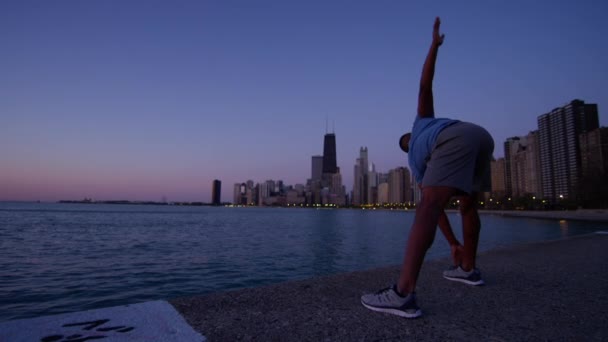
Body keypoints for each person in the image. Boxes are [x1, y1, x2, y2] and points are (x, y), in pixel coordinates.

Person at [360, 17, 494, 318]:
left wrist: (433, 47)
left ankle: (403, 293)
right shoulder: (426, 130)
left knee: (427, 207)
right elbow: (425, 85)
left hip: (457, 139)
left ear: (406, 143)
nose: (408, 137)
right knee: (469, 206)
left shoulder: (419, 141)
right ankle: (467, 268)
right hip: (480, 136)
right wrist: (434, 47)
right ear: (408, 142)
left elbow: (433, 209)